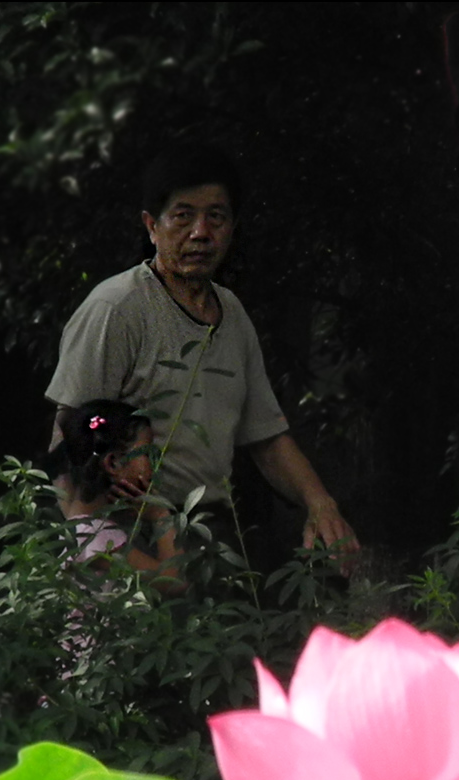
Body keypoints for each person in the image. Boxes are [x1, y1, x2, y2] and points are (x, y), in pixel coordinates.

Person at [45, 142, 358, 569]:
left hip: (210, 534)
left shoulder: (232, 315)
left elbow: (266, 437)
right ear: (151, 226)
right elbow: (69, 436)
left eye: (216, 216)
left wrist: (321, 503)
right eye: (183, 216)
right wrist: (92, 545)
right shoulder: (116, 308)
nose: (200, 232)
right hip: (127, 535)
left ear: (233, 226)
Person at [51, 399, 184, 591]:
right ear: (113, 463)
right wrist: (160, 514)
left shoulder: (83, 529)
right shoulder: (95, 535)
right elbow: (175, 581)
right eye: (146, 453)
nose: (155, 464)